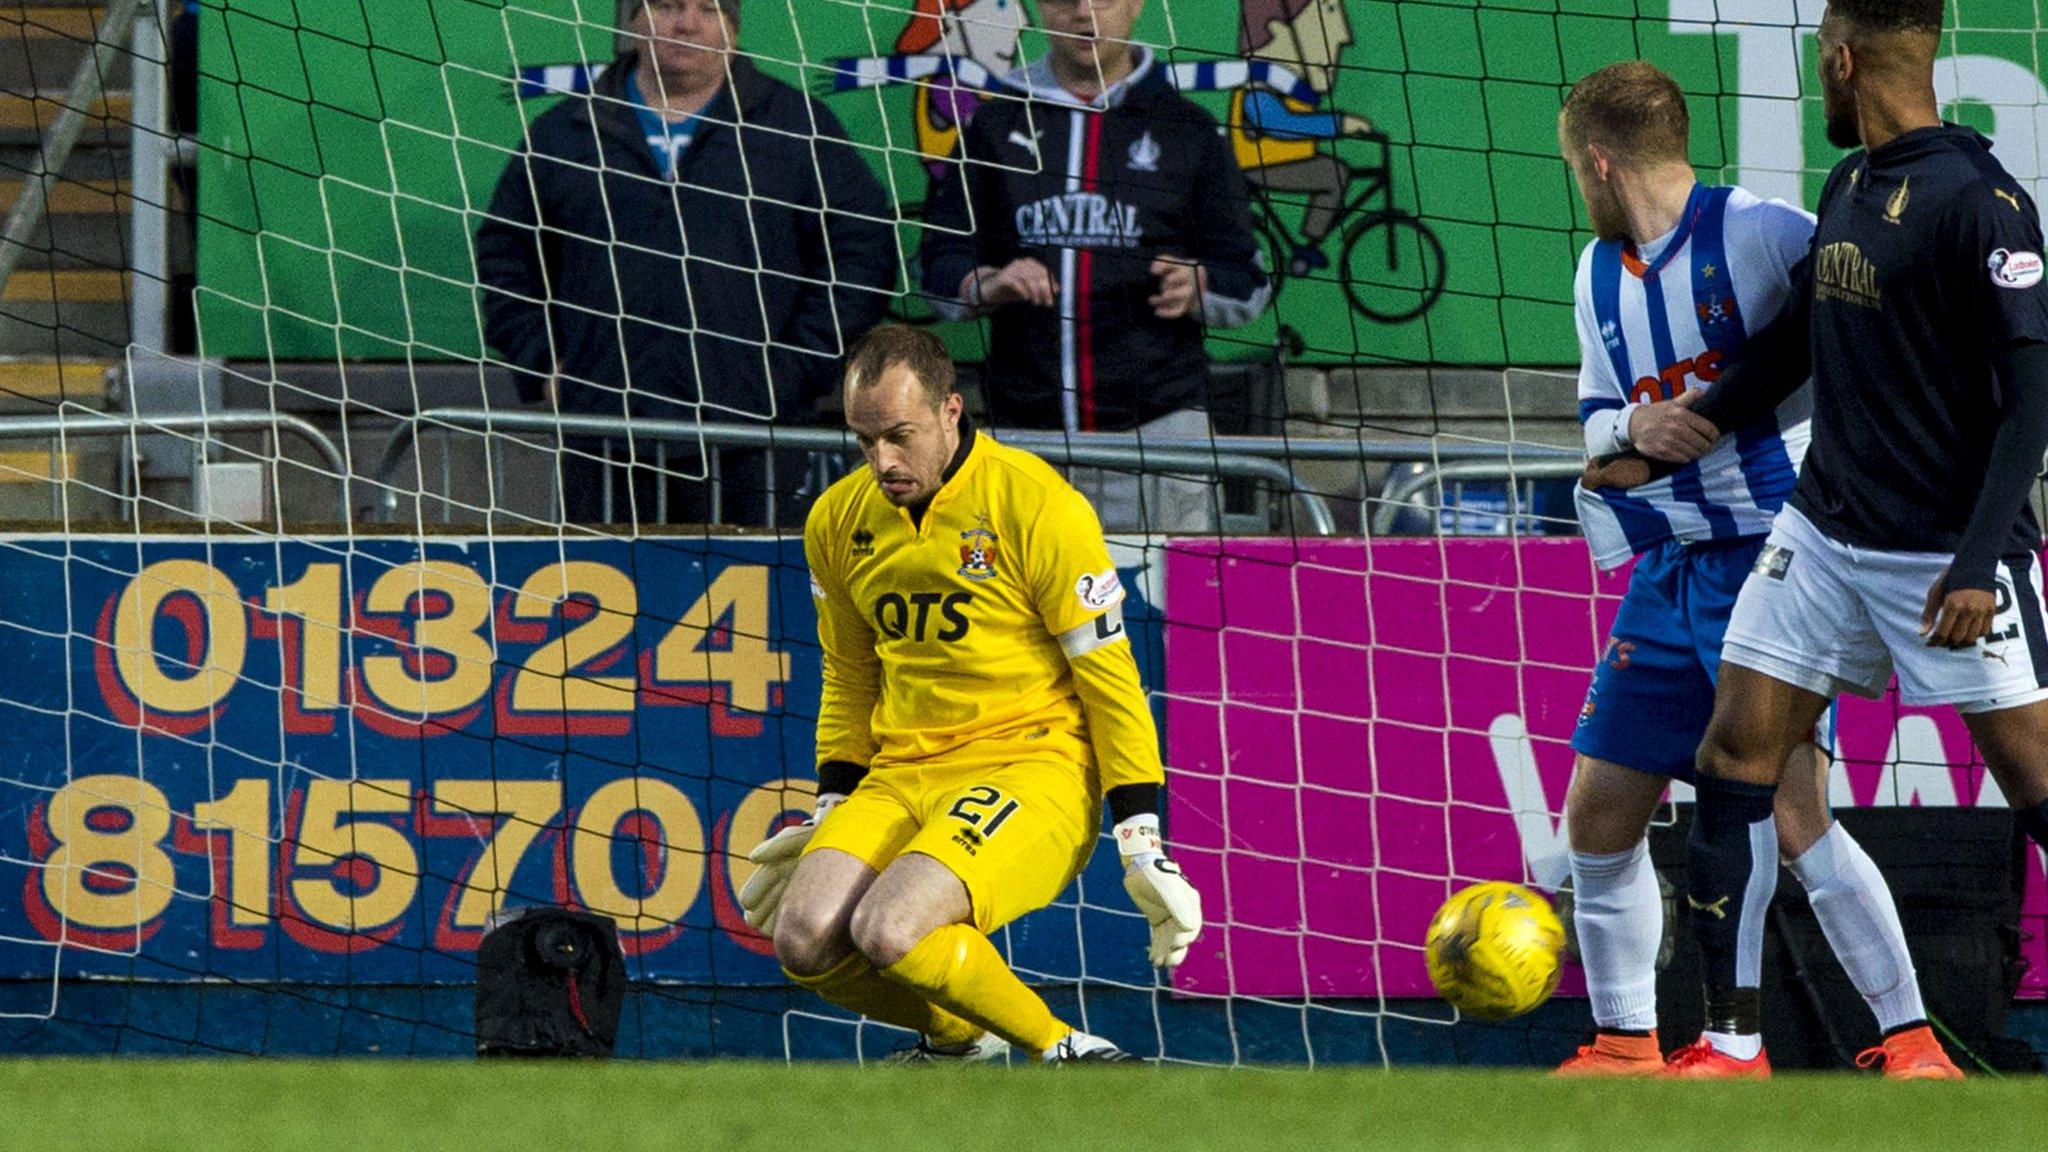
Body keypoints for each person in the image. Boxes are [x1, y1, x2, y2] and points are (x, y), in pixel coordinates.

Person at [1585, 0, 2048, 1078]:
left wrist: (1980, 560)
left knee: (2035, 789)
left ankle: (1897, 1036)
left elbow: (2032, 402)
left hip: (1940, 554)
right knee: (1730, 759)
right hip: (1820, 534)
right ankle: (1730, 1044)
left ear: (1841, 60)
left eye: (1817, 64)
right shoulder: (1845, 188)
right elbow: (1785, 351)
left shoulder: (1981, 206)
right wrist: (1658, 449)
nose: (1814, 85)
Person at [1552, 61, 1952, 1081]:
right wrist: (1630, 422)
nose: (1578, 187)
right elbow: (1596, 421)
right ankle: (1622, 1043)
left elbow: (1846, 350)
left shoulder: (1763, 233)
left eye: (1575, 169)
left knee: (1791, 808)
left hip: (1774, 561)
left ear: (1596, 160)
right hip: (1663, 569)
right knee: (1598, 814)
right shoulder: (1593, 274)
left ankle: (1907, 1036)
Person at [736, 324, 1202, 1063]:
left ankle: (1071, 1050)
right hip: (903, 774)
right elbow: (849, 673)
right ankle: (958, 1039)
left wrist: (1141, 838)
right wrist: (832, 804)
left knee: (891, 930)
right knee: (802, 939)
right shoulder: (837, 520)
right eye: (863, 441)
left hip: (1031, 765)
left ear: (951, 411)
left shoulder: (1036, 506)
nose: (882, 461)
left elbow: (1110, 680)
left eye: (899, 435)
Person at [474, 0, 895, 528]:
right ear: (634, 21)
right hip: (608, 441)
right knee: (610, 605)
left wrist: (794, 369)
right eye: (668, 6)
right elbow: (505, 254)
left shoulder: (797, 128)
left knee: (758, 607)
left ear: (734, 29)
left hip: (755, 439)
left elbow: (863, 251)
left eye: (709, 9)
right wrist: (544, 364)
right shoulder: (567, 133)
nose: (687, 23)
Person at [919, 0, 1270, 532]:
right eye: (1064, 0)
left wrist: (1201, 284)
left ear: (1135, 6)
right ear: (1038, 9)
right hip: (1025, 442)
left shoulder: (1188, 130)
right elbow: (937, 266)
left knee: (1171, 613)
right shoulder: (994, 124)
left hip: (1161, 439)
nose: (1084, 14)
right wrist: (986, 283)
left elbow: (1249, 279)